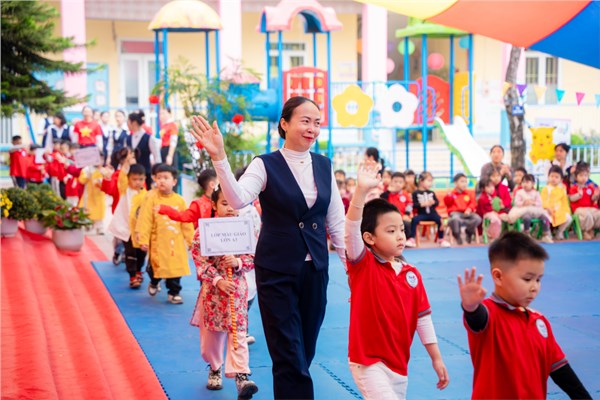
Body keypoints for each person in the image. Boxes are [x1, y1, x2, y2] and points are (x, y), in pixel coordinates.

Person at [190, 96, 346, 399]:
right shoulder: (265, 164)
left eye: (317, 122)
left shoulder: (324, 166)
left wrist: (353, 268)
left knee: (304, 349)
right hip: (276, 270)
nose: (312, 128)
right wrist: (219, 157)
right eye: (305, 121)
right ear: (284, 123)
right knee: (287, 350)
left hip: (315, 270)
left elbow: (336, 222)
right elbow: (238, 199)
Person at [345, 161, 449, 399]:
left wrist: (436, 358)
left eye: (401, 229)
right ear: (369, 238)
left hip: (399, 365)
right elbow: (350, 230)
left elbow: (423, 318)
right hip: (368, 362)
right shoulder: (363, 266)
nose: (400, 236)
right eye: (391, 231)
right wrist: (361, 191)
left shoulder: (412, 274)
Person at [457, 232, 591, 399]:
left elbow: (560, 370)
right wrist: (470, 307)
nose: (534, 287)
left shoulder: (539, 321)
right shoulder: (490, 315)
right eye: (527, 279)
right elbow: (477, 319)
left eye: (538, 279)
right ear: (498, 276)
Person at [190, 187, 259, 398]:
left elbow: (253, 256)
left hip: (237, 291)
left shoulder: (246, 230)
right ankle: (214, 366)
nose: (230, 208)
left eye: (234, 204)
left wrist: (238, 262)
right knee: (211, 339)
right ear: (214, 205)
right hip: (213, 294)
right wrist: (217, 280)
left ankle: (242, 376)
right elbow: (200, 261)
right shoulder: (203, 231)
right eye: (224, 203)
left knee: (238, 332)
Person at [136, 164, 194, 304]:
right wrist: (143, 239)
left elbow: (186, 221)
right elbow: (145, 219)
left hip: (175, 242)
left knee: (175, 268)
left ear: (174, 181)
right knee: (155, 268)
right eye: (159, 177)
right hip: (158, 242)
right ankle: (154, 282)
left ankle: (174, 292)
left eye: (166, 178)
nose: (162, 180)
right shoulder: (151, 197)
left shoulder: (179, 200)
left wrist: (191, 240)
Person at [107, 164, 147, 288]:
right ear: (128, 179)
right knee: (130, 253)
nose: (137, 182)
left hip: (141, 230)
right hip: (127, 229)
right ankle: (132, 275)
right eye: (134, 179)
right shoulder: (125, 190)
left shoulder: (146, 194)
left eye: (140, 179)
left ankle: (139, 271)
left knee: (141, 252)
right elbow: (121, 178)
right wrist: (126, 163)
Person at [405, 171, 450, 248]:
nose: (430, 183)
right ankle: (412, 239)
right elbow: (414, 205)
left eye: (431, 181)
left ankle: (441, 239)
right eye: (429, 181)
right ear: (421, 181)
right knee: (414, 220)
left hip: (432, 214)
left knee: (440, 220)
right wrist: (422, 204)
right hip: (421, 214)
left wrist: (433, 202)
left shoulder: (431, 192)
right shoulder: (415, 193)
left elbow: (437, 202)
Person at [508, 174, 553, 242]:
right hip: (524, 210)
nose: (525, 184)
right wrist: (523, 203)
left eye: (527, 182)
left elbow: (540, 203)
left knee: (545, 218)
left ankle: (545, 235)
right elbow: (516, 203)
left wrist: (533, 203)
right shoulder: (519, 192)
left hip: (535, 211)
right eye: (523, 182)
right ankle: (527, 234)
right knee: (527, 218)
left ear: (533, 183)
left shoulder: (536, 193)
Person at [126, 110, 161, 190]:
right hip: (131, 174)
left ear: (134, 123)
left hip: (145, 174)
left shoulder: (148, 138)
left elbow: (157, 157)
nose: (127, 124)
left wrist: (157, 175)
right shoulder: (128, 138)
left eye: (128, 122)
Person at [444, 173, 481, 245]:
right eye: (462, 181)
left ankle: (469, 233)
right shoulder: (451, 193)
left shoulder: (469, 193)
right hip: (455, 213)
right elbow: (447, 203)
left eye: (465, 182)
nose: (464, 184)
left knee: (477, 218)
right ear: (455, 183)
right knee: (455, 219)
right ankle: (457, 236)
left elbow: (473, 203)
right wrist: (449, 196)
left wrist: (469, 209)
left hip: (467, 213)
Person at [568, 162, 600, 240]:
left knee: (598, 213)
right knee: (587, 215)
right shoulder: (574, 187)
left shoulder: (590, 187)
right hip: (579, 209)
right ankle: (585, 231)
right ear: (576, 177)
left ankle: (592, 229)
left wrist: (595, 195)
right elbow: (571, 198)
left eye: (585, 176)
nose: (583, 178)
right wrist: (579, 195)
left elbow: (592, 199)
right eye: (581, 175)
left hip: (589, 208)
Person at [541, 166, 572, 241]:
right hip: (547, 210)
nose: (553, 179)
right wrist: (547, 208)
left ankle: (559, 232)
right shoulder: (546, 188)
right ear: (548, 177)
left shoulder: (562, 190)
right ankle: (547, 233)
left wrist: (566, 211)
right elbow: (542, 200)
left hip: (559, 210)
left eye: (556, 177)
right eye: (552, 176)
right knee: (545, 216)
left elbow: (564, 202)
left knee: (568, 218)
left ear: (561, 180)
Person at [78, 153, 106, 235]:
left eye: (101, 159)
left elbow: (108, 181)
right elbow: (81, 180)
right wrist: (87, 175)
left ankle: (100, 228)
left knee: (99, 211)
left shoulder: (104, 170)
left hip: (99, 195)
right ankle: (88, 224)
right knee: (88, 210)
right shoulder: (87, 169)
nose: (99, 161)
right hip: (88, 195)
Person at [380, 172, 413, 240]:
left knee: (407, 224)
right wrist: (388, 191)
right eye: (395, 182)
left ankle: (408, 240)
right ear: (391, 182)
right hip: (389, 217)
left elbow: (410, 204)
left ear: (404, 184)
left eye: (400, 182)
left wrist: (407, 214)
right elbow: (381, 200)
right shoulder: (387, 193)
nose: (398, 184)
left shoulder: (405, 194)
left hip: (402, 217)